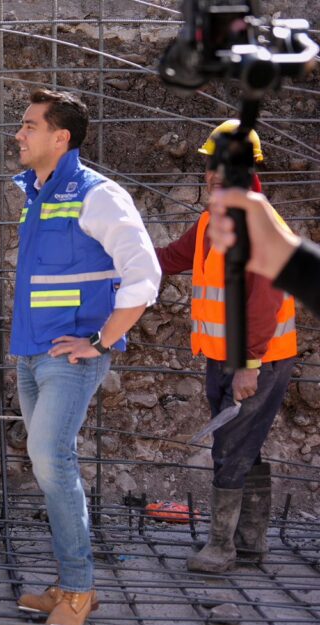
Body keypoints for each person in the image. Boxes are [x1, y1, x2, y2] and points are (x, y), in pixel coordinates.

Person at [11, 89, 161, 625]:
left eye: (29, 126)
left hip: (70, 359)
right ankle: (67, 582)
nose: (19, 135)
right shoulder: (38, 192)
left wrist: (100, 341)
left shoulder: (98, 195)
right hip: (32, 352)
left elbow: (144, 277)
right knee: (50, 467)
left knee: (53, 462)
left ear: (60, 137)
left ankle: (78, 588)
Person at [156, 121, 297, 573]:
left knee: (230, 448)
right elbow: (171, 259)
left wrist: (247, 365)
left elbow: (262, 303)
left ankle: (222, 547)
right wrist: (119, 255)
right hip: (225, 356)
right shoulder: (210, 222)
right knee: (242, 445)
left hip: (259, 359)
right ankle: (251, 545)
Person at [208, 187, 320, 316]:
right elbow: (181, 254)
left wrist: (286, 258)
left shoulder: (263, 223)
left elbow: (264, 312)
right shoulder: (210, 220)